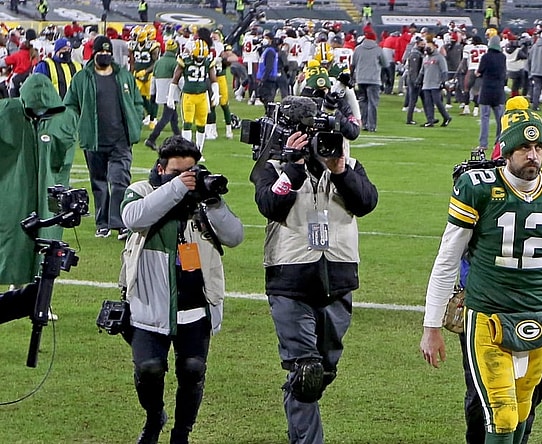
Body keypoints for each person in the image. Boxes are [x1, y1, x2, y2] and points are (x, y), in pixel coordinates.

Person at [421, 96, 542, 444]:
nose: (533, 155)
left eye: (539, 146)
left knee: (524, 411)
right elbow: (447, 258)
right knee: (502, 414)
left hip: (537, 316)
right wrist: (431, 326)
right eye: (524, 147)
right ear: (506, 152)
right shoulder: (478, 187)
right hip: (487, 315)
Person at [249, 93, 377, 443]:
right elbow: (270, 204)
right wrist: (292, 165)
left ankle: (298, 410)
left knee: (322, 373)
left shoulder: (345, 162)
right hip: (290, 278)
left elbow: (366, 202)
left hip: (338, 278)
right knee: (306, 370)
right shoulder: (270, 167)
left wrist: (337, 170)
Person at [120, 136, 243, 444]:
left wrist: (213, 201)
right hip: (149, 307)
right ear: (161, 169)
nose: (188, 178)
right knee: (149, 369)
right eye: (178, 172)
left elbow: (235, 236)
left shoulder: (202, 198)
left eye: (192, 171)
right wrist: (176, 188)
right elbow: (133, 217)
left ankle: (181, 434)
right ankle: (154, 417)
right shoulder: (142, 191)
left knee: (192, 370)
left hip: (195, 308)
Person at [0, 74, 78, 292]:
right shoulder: (7, 114)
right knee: (13, 239)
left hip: (48, 191)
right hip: (14, 190)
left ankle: (41, 296)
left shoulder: (64, 119)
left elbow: (63, 159)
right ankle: (16, 288)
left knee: (47, 243)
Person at [64, 35, 144, 241]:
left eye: (108, 52)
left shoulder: (124, 76)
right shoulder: (82, 78)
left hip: (121, 139)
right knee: (99, 184)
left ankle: (120, 223)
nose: (106, 55)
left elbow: (137, 101)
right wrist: (76, 123)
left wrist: (137, 117)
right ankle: (102, 223)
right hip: (94, 139)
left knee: (120, 180)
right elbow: (70, 104)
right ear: (94, 53)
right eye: (101, 52)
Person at [168, 39, 219, 158]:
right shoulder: (184, 60)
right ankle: (187, 152)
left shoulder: (208, 61)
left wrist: (216, 93)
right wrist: (170, 96)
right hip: (188, 96)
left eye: (201, 57)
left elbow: (213, 79)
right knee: (187, 123)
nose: (199, 60)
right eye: (197, 57)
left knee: (201, 124)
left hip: (202, 95)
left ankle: (199, 152)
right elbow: (175, 79)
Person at [145, 38, 180, 150]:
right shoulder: (175, 62)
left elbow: (153, 79)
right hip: (170, 93)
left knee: (174, 117)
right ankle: (151, 139)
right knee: (166, 117)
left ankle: (178, 138)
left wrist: (152, 93)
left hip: (160, 92)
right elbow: (179, 79)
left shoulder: (159, 62)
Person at [351, 30, 387, 132]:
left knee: (363, 102)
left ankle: (364, 123)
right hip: (374, 79)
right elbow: (385, 64)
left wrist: (352, 77)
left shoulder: (357, 49)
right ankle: (372, 125)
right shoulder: (378, 49)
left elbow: (353, 64)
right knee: (373, 103)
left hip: (361, 79)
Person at [476, 35, 506, 150]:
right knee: (501, 120)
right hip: (498, 91)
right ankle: (499, 143)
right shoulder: (502, 57)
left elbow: (479, 72)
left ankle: (483, 144)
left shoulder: (486, 57)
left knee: (484, 118)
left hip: (486, 91)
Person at [418, 40, 452, 128]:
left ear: (435, 47)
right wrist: (419, 80)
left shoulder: (439, 57)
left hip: (436, 83)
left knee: (438, 102)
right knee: (428, 103)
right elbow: (422, 71)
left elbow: (444, 70)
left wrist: (443, 82)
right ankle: (430, 120)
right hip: (426, 84)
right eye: (426, 46)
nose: (427, 48)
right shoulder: (425, 58)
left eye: (429, 47)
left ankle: (446, 117)